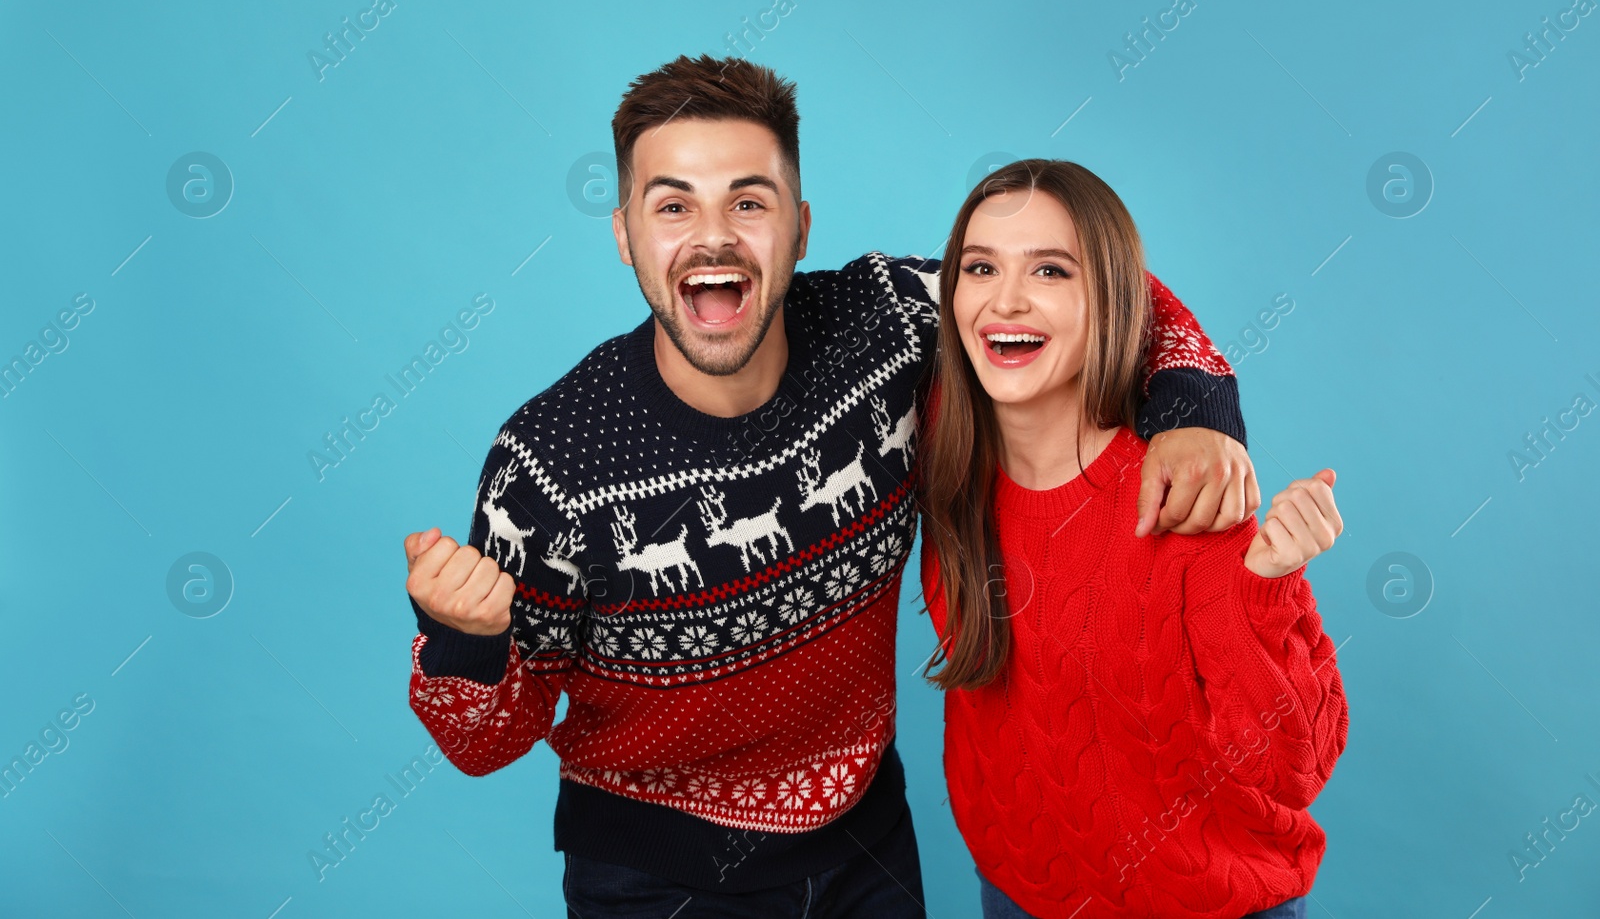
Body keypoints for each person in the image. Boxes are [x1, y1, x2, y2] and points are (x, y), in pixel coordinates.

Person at [402, 55, 1260, 917]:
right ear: (625, 234)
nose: (713, 238)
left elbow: (1092, 286)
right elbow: (484, 743)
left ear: (800, 225)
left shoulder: (890, 321)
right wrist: (466, 643)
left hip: (866, 848)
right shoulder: (548, 464)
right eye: (673, 206)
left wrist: (1193, 410)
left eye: (749, 201)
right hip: (654, 882)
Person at [917, 159, 1349, 919]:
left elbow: (1293, 767)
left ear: (1113, 300)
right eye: (980, 266)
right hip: (1019, 887)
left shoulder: (1183, 492)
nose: (1005, 299)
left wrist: (1269, 589)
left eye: (1051, 270)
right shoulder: (945, 456)